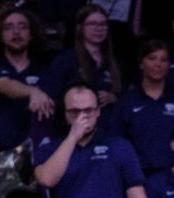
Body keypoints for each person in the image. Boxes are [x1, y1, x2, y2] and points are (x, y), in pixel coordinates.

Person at [35, 83, 150, 198]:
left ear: (98, 111)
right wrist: (72, 137)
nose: (82, 116)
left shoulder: (119, 146)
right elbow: (46, 179)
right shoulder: (49, 149)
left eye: (88, 110)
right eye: (75, 111)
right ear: (65, 113)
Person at [117, 40, 174, 175]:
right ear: (141, 63)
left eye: (164, 60)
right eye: (152, 58)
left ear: (169, 65)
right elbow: (117, 143)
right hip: (137, 177)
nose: (158, 64)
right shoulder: (127, 101)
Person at [0, 6, 53, 153]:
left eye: (22, 26)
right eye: (8, 27)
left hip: (36, 152)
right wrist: (33, 91)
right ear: (0, 35)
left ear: (31, 34)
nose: (16, 32)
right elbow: (4, 85)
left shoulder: (45, 71)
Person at [46, 4, 123, 132]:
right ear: (80, 28)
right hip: (75, 133)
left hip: (108, 134)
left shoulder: (115, 61)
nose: (98, 29)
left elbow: (127, 96)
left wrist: (113, 97)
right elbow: (53, 97)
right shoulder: (65, 60)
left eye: (103, 24)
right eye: (92, 24)